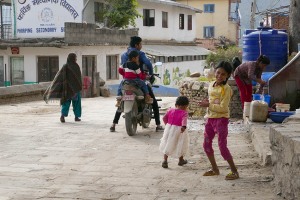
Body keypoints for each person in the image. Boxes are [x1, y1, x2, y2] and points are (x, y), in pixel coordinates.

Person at [110, 36, 163, 132]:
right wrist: (150, 74)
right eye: (141, 44)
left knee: (122, 99)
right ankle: (158, 125)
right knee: (153, 101)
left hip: (126, 81)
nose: (141, 46)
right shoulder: (140, 54)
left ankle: (113, 124)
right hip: (138, 81)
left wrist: (125, 75)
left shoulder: (123, 55)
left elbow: (120, 69)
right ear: (136, 45)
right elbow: (148, 64)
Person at [198, 61, 239, 180]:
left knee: (222, 146)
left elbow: (223, 108)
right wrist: (207, 103)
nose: (219, 76)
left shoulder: (227, 89)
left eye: (223, 74)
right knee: (206, 144)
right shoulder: (211, 85)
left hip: (221, 120)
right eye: (218, 73)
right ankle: (215, 169)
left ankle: (234, 171)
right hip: (210, 119)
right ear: (215, 72)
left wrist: (208, 105)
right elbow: (211, 100)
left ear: (228, 76)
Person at [43, 53, 82, 123]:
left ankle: (62, 116)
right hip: (75, 89)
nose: (76, 59)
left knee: (65, 103)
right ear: (73, 58)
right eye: (75, 58)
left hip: (66, 89)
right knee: (76, 103)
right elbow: (78, 78)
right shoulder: (76, 66)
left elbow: (59, 76)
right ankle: (76, 117)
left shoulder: (65, 66)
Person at [159, 96, 190, 168]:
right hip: (180, 130)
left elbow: (164, 118)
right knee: (181, 143)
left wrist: (167, 125)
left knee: (168, 143)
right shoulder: (184, 112)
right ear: (185, 105)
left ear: (176, 104)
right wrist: (183, 127)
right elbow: (184, 120)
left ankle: (165, 161)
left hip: (169, 129)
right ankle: (181, 160)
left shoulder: (170, 110)